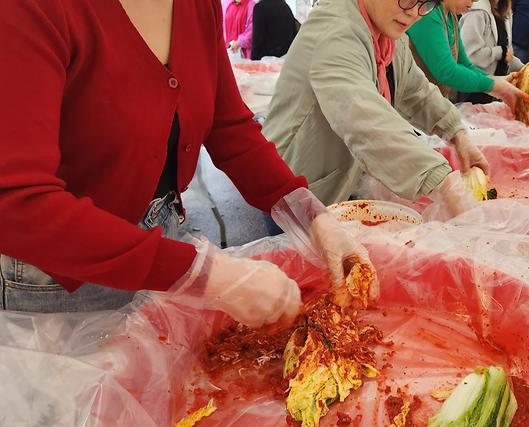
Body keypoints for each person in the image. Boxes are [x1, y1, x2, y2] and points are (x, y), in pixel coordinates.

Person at [0, 0, 376, 326]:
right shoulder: (35, 10)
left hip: (163, 242)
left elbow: (229, 127)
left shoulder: (197, 7)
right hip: (63, 274)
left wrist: (311, 216)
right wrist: (206, 275)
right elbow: (16, 202)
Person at [264, 0, 490, 234]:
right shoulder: (336, 30)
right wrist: (444, 183)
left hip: (336, 181)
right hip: (295, 187)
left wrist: (457, 133)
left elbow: (417, 92)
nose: (414, 12)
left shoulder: (390, 36)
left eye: (426, 3)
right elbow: (363, 116)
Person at [405, 0, 527, 103]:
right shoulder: (428, 14)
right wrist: (495, 86)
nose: (474, 1)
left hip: (434, 102)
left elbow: (465, 65)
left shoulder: (451, 17)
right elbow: (447, 72)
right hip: (412, 108)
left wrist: (497, 81)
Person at [460, 0, 525, 104]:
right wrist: (500, 52)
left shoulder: (505, 12)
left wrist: (525, 68)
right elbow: (470, 56)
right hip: (476, 91)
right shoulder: (477, 13)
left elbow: (508, 54)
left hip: (496, 91)